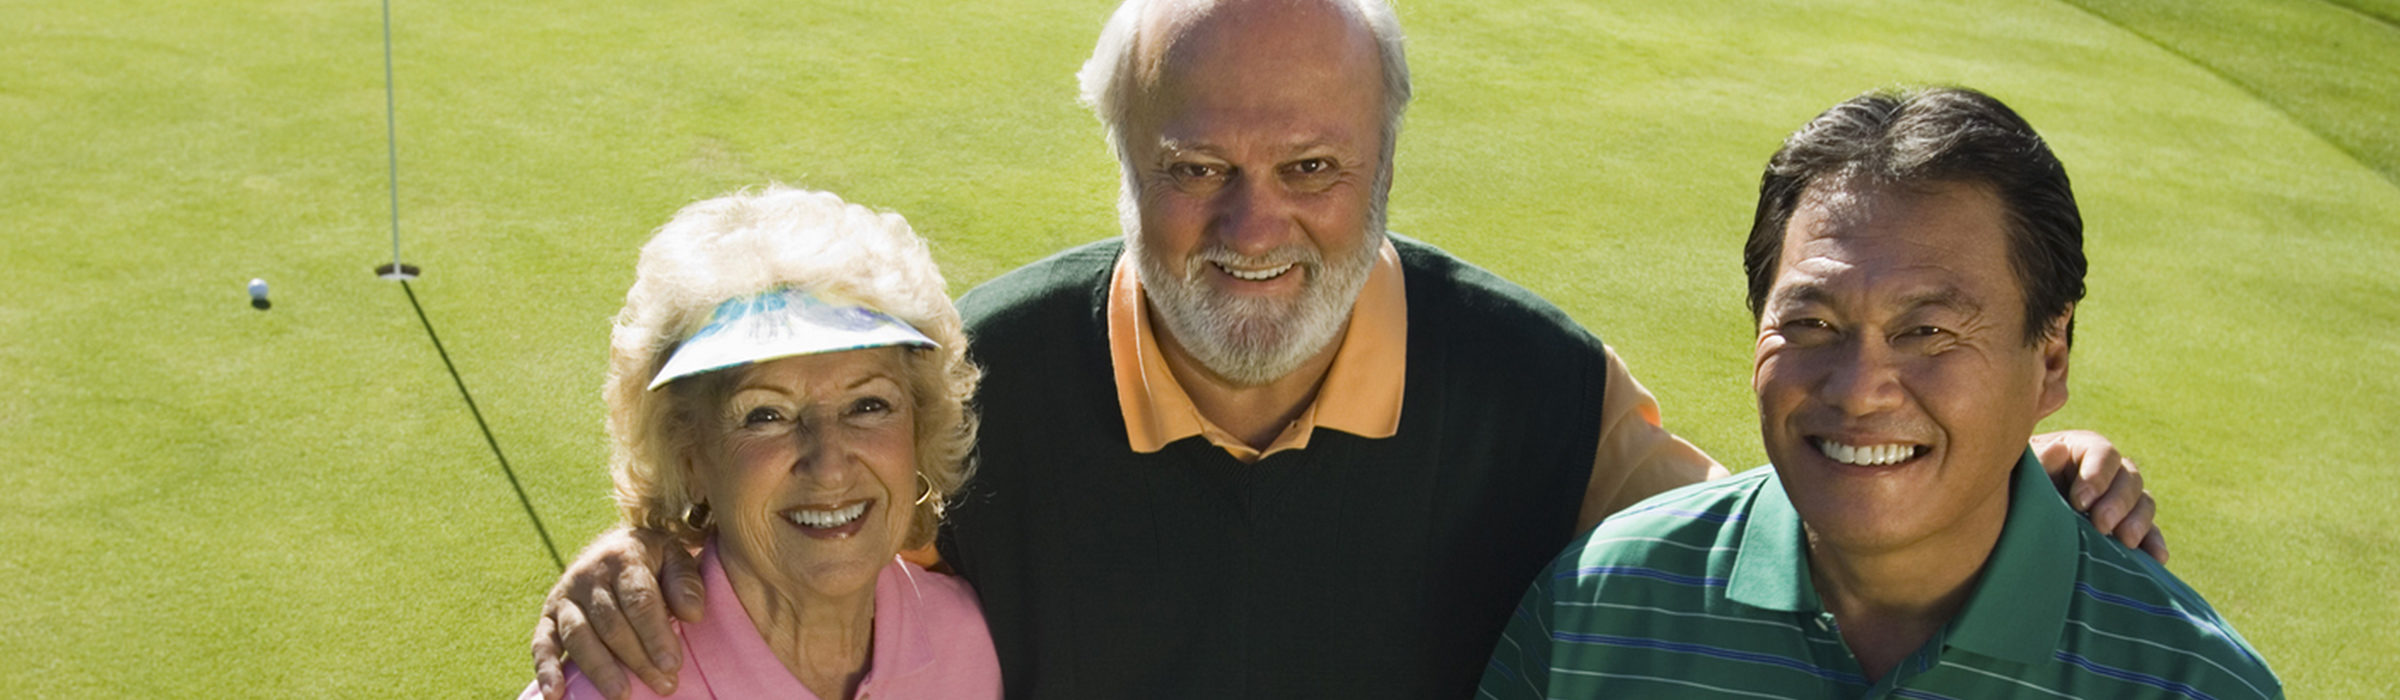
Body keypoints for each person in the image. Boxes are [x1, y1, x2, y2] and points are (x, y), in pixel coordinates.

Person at [530, 3, 2165, 699]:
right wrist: (661, 542)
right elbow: (819, 509)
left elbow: (1788, 541)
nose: (1255, 221)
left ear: (1383, 168)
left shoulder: (1535, 388)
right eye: (1194, 167)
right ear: (1126, 172)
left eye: (1310, 168)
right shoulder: (987, 377)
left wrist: (2013, 490)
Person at [1478, 87, 2280, 699]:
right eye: (1814, 323)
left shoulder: (2195, 682)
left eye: (1928, 332)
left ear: (2052, 355)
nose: (1859, 391)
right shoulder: (1594, 605)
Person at [524, 187, 1001, 699]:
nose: (830, 466)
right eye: (765, 415)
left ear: (919, 428)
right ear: (688, 458)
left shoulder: (967, 637)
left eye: (868, 405)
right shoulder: (601, 690)